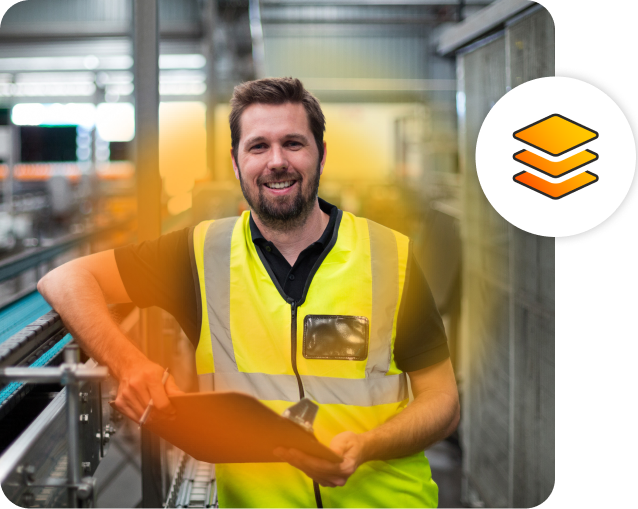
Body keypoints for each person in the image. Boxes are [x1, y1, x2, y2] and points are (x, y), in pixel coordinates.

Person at [38, 77, 460, 509]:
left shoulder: (389, 256)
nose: (277, 161)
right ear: (237, 164)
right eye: (258, 147)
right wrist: (130, 366)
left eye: (293, 143)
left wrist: (369, 444)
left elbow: (442, 399)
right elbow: (65, 280)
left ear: (321, 154)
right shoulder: (198, 255)